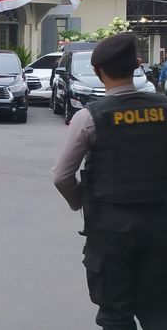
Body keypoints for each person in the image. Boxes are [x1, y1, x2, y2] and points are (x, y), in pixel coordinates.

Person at [53, 33, 167, 329]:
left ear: (97, 71)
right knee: (158, 309)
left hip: (111, 229)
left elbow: (63, 176)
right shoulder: (164, 108)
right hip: (161, 224)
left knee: (116, 313)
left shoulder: (91, 117)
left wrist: (79, 200)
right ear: (138, 65)